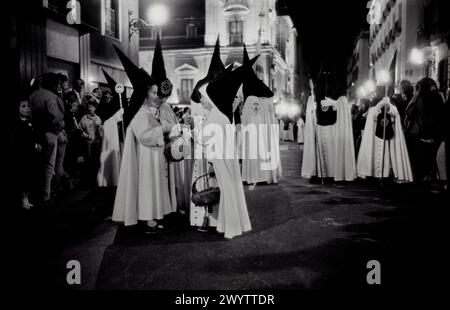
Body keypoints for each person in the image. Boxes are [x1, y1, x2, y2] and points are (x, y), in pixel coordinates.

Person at [112, 45, 180, 232]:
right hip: (145, 157)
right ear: (143, 93)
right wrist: (164, 129)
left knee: (154, 187)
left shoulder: (144, 111)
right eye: (152, 92)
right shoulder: (138, 113)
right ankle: (147, 216)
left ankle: (155, 213)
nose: (155, 96)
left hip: (153, 155)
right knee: (147, 187)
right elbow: (144, 137)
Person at [189, 54, 256, 239]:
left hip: (219, 159)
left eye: (203, 98)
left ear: (210, 99)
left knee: (227, 189)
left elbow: (204, 138)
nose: (201, 101)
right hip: (222, 159)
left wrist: (191, 131)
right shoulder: (218, 114)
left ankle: (230, 225)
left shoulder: (216, 116)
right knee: (229, 189)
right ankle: (230, 223)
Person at [240, 44, 280, 186]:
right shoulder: (254, 82)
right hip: (257, 122)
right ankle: (260, 175)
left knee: (251, 148)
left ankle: (251, 176)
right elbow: (269, 93)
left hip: (250, 120)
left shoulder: (245, 84)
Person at [29, 72, 68, 204]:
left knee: (38, 164)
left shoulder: (33, 95)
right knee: (49, 165)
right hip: (50, 133)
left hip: (35, 133)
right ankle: (47, 196)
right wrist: (59, 129)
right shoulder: (52, 97)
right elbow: (56, 118)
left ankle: (37, 193)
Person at [357, 96, 413, 182]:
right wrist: (381, 103)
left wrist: (388, 105)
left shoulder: (391, 107)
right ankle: (376, 173)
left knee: (389, 156)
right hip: (376, 138)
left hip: (390, 138)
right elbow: (374, 114)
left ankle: (388, 173)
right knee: (377, 155)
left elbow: (395, 113)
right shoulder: (373, 109)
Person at [405, 77, 446, 183]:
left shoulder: (418, 99)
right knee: (433, 162)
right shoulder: (438, 97)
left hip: (420, 134)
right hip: (435, 135)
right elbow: (442, 116)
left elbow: (409, 113)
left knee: (420, 163)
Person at [12, 99, 42, 209]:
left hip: (31, 155)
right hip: (21, 155)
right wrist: (34, 145)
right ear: (17, 109)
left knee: (29, 177)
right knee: (23, 178)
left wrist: (37, 143)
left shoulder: (30, 122)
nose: (27, 108)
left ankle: (27, 199)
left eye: (28, 106)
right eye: (24, 106)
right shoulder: (17, 124)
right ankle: (23, 200)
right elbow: (20, 141)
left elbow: (33, 136)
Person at [79, 100, 103, 185]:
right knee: (88, 161)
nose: (90, 108)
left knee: (96, 161)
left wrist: (99, 127)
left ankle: (95, 180)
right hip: (88, 142)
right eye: (89, 106)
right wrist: (86, 136)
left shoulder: (98, 118)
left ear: (95, 108)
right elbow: (80, 130)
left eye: (92, 107)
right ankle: (88, 181)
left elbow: (101, 133)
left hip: (96, 143)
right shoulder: (84, 118)